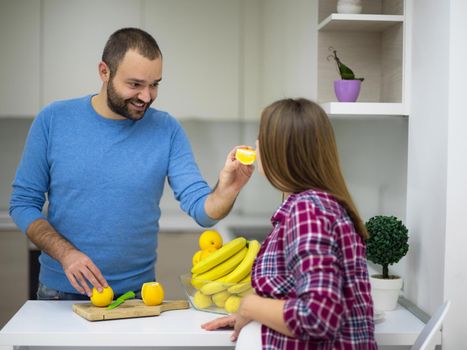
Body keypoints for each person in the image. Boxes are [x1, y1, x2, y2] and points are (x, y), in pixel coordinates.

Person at [9, 27, 253, 300]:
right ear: (104, 72)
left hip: (137, 297)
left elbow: (202, 210)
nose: (146, 97)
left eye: (155, 84)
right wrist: (66, 254)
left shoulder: (167, 129)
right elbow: (22, 203)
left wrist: (228, 188)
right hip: (60, 293)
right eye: (135, 84)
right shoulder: (53, 120)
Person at [202, 98, 377, 349]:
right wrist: (257, 315)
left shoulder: (308, 211)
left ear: (280, 149)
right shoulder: (315, 205)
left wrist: (250, 305)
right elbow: (297, 294)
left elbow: (319, 316)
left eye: (261, 137)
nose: (256, 145)